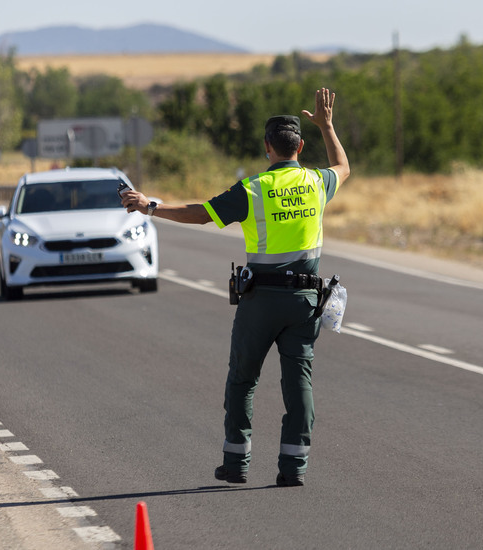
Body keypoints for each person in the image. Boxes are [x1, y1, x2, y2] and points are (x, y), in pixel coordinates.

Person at [121, 87, 350, 487]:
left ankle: (236, 463)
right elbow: (343, 165)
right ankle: (294, 468)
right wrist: (328, 126)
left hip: (261, 301)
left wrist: (150, 206)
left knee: (243, 379)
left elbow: (200, 214)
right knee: (298, 382)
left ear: (267, 147)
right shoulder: (316, 182)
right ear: (299, 146)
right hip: (304, 302)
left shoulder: (253, 189)